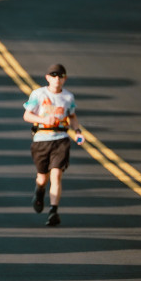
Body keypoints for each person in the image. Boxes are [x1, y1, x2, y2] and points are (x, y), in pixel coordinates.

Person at [23, 63, 84, 226]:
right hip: (41, 140)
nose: (57, 79)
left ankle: (53, 211)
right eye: (54, 75)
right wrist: (43, 120)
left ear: (65, 79)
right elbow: (27, 115)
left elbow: (72, 116)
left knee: (56, 174)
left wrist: (78, 132)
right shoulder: (38, 94)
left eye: (60, 76)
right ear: (47, 78)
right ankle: (39, 191)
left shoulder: (68, 97)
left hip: (61, 139)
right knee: (42, 178)